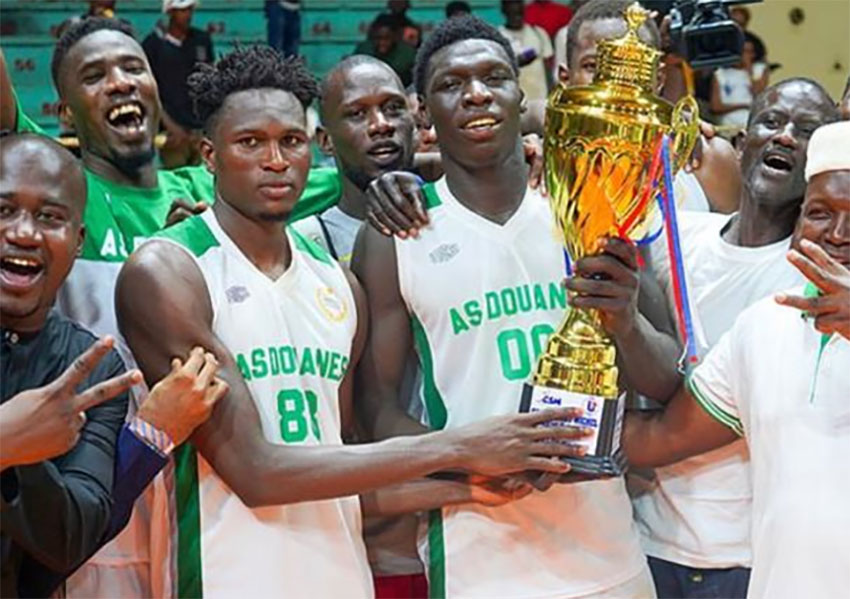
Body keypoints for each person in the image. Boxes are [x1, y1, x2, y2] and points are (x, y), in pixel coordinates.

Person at [114, 44, 589, 599]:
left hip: (344, 578)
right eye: (251, 143)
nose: (276, 161)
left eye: (290, 141)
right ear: (209, 155)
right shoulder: (168, 270)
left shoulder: (337, 282)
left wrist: (469, 487)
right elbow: (257, 471)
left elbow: (345, 475)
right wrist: (459, 447)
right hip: (225, 579)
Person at [0, 18, 337, 598]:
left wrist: (401, 180)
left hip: (206, 480)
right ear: (62, 114)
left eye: (133, 68)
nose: (120, 83)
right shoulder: (60, 186)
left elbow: (339, 178)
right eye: (95, 75)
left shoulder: (218, 188)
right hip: (91, 473)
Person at [353, 15, 682, 598]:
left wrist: (626, 321)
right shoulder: (395, 235)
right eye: (452, 84)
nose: (476, 93)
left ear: (522, 94)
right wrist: (471, 455)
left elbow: (666, 380)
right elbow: (375, 408)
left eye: (494, 77)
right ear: (423, 112)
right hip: (479, 559)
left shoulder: (595, 204)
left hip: (609, 553)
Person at [623, 118, 850, 599]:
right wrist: (558, 430)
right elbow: (663, 436)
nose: (837, 234)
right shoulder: (764, 325)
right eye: (820, 213)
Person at [0, 132, 226, 598]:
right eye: (4, 210)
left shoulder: (93, 370)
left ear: (77, 241)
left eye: (49, 217)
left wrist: (148, 437)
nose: (23, 232)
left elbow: (67, 544)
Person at [142, 0, 214, 169]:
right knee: (176, 183)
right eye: (182, 10)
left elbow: (210, 85)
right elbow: (149, 92)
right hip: (171, 133)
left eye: (190, 10)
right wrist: (170, 126)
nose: (188, 15)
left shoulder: (201, 40)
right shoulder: (153, 45)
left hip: (199, 129)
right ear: (170, 12)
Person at [498, 0, 553, 102]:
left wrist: (551, 92)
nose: (516, 17)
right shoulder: (499, 37)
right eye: (512, 14)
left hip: (540, 98)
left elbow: (548, 67)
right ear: (504, 11)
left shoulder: (539, 33)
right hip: (513, 101)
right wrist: (516, 63)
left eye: (519, 13)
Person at [710, 39, 769, 131]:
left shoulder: (759, 70)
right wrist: (743, 105)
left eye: (748, 52)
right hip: (728, 125)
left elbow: (759, 94)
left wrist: (749, 70)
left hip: (751, 124)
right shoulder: (720, 74)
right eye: (741, 51)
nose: (744, 55)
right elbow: (716, 107)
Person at [354, 14, 417, 88]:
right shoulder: (363, 51)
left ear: (395, 37)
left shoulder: (407, 54)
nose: (382, 43)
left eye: (386, 38)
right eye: (378, 38)